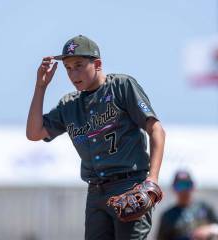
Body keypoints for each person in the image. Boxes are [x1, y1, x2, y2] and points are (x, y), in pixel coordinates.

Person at [26, 35, 166, 240]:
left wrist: (152, 179)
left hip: (129, 186)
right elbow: (34, 133)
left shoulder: (121, 86)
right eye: (68, 68)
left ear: (97, 64)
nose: (73, 73)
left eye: (79, 65)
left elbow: (156, 130)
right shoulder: (69, 105)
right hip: (96, 193)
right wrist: (41, 87)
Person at [156, 170, 218, 240]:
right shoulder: (168, 215)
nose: (184, 190)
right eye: (180, 186)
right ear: (174, 188)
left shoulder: (204, 207)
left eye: (187, 185)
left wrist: (210, 230)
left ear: (193, 186)